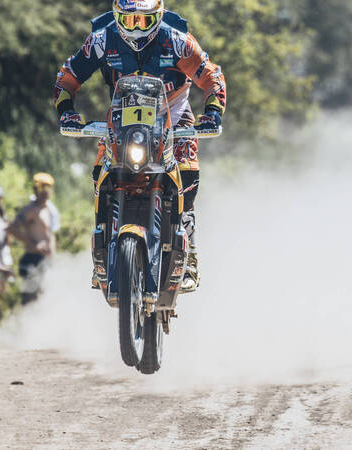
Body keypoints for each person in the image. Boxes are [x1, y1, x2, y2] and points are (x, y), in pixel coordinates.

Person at [53, 0, 226, 292]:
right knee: (101, 172)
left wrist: (213, 113)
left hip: (173, 112)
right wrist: (67, 111)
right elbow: (67, 76)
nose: (135, 29)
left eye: (143, 21)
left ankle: (190, 253)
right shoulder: (101, 39)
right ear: (116, 16)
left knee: (188, 169)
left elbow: (212, 76)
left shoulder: (177, 41)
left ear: (158, 18)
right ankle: (100, 250)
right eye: (128, 20)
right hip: (123, 114)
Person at [6, 173, 61, 304]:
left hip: (44, 260)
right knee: (30, 299)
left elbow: (50, 234)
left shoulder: (48, 209)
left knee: (44, 298)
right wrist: (31, 244)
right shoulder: (30, 210)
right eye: (42, 189)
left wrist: (52, 255)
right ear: (35, 190)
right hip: (32, 259)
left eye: (48, 189)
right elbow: (12, 228)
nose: (45, 192)